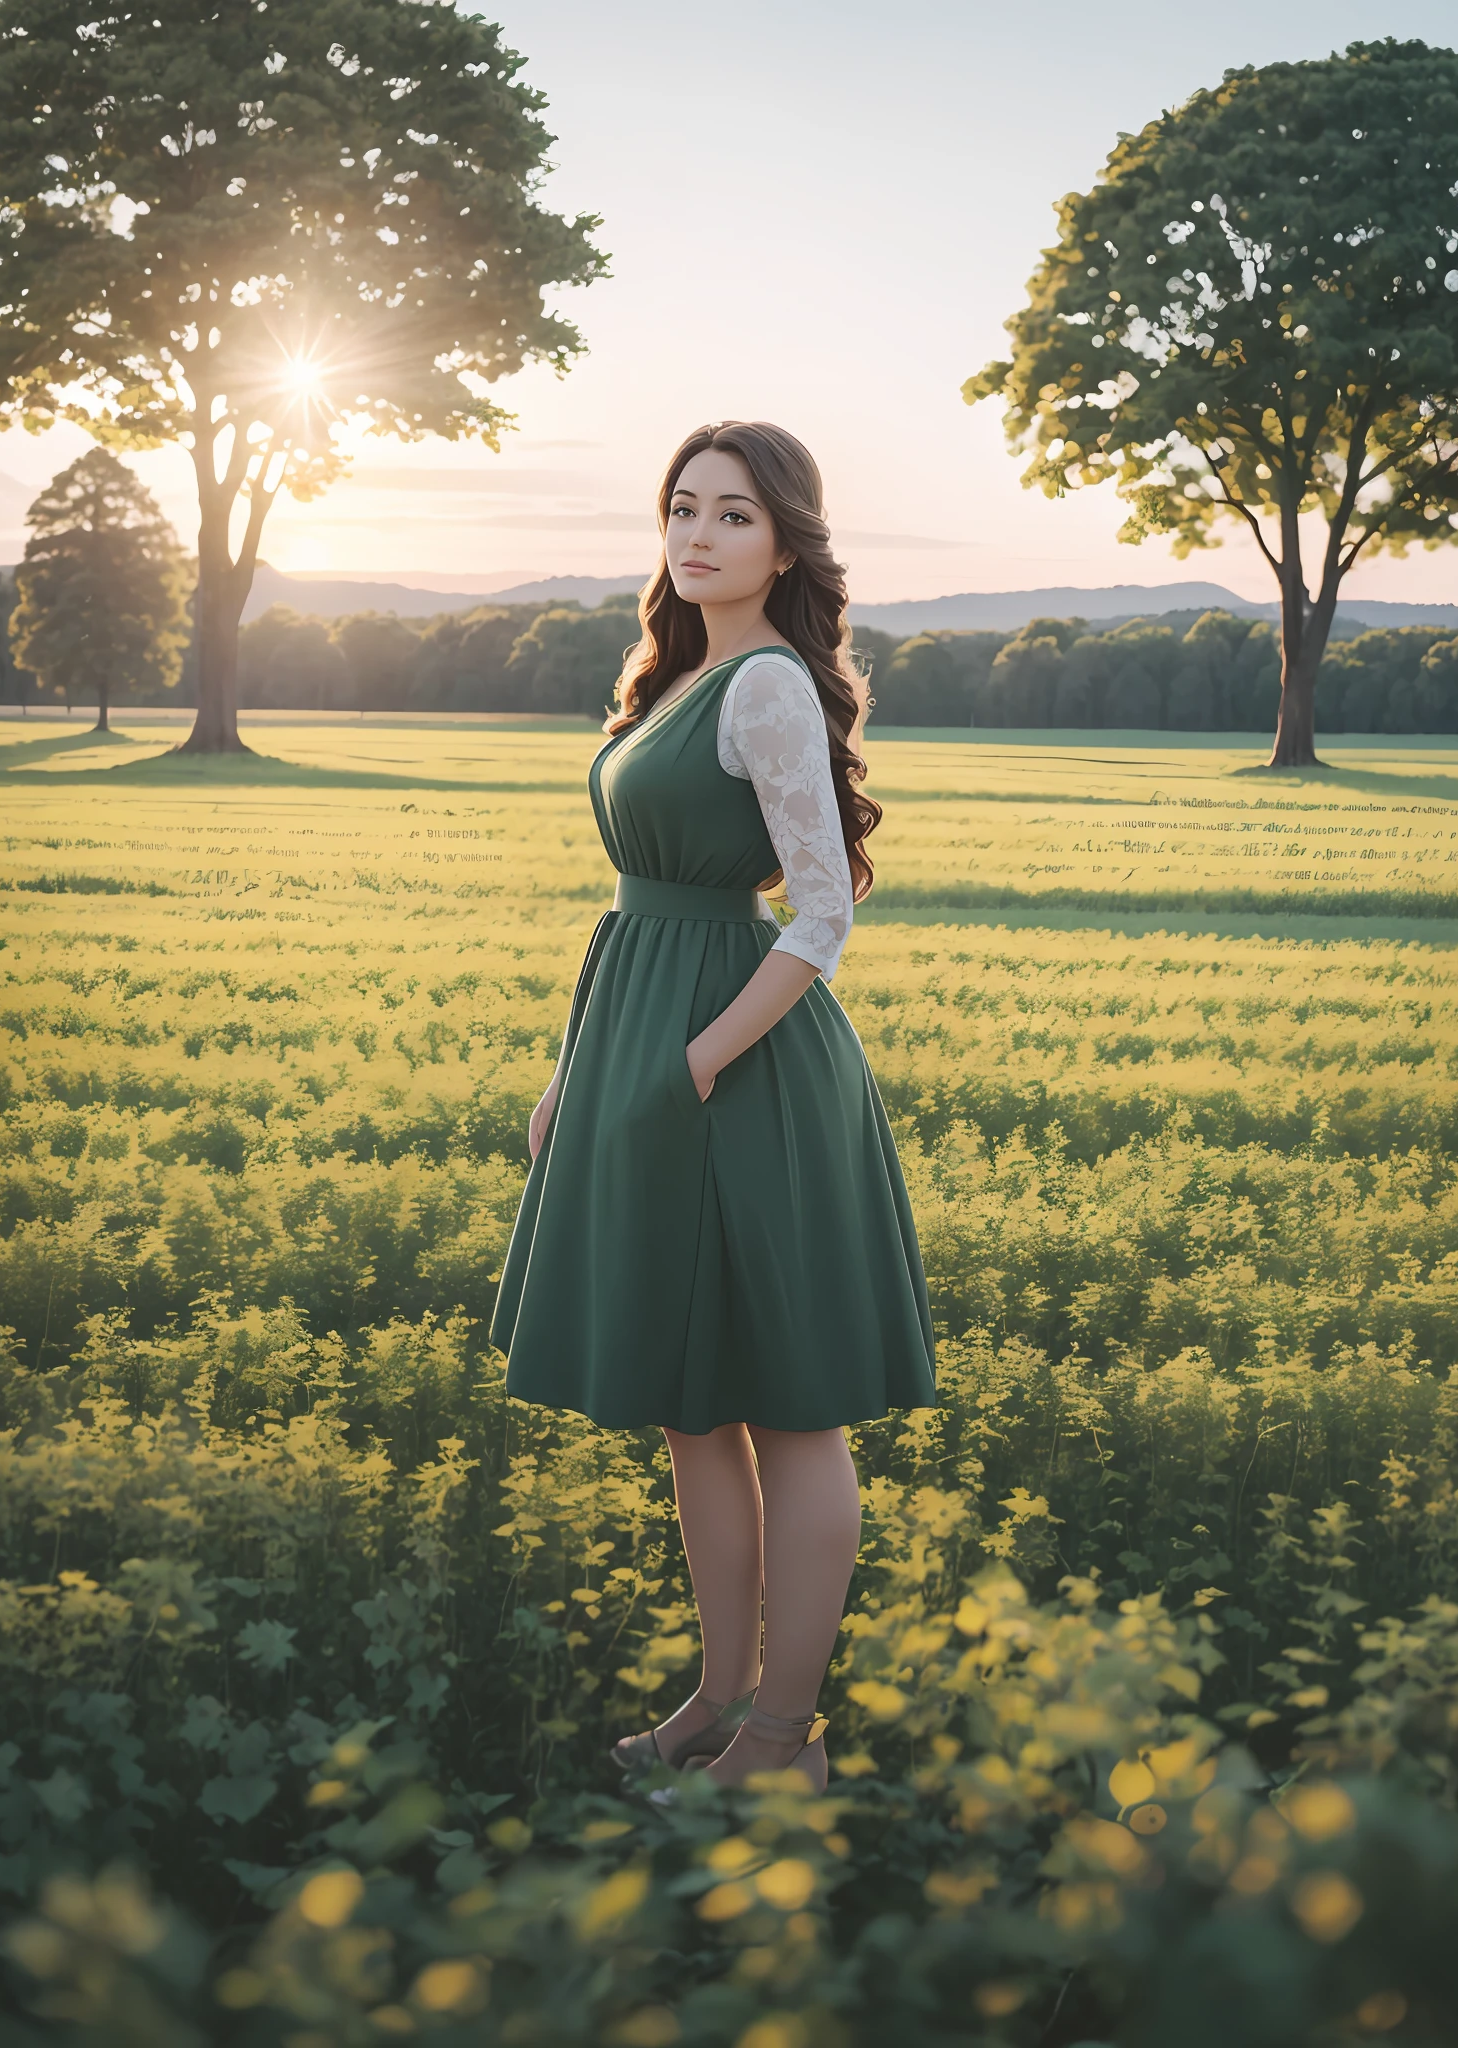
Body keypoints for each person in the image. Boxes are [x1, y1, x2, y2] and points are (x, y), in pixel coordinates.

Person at [490, 421, 938, 1792]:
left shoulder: (767, 689)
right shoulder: (680, 675)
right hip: (646, 1037)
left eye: (734, 516)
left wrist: (685, 1067)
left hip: (746, 1074)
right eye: (683, 508)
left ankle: (784, 1739)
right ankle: (718, 1697)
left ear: (787, 540)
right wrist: (583, 1066)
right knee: (698, 1409)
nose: (698, 535)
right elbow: (638, 914)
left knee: (791, 1408)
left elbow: (818, 917)